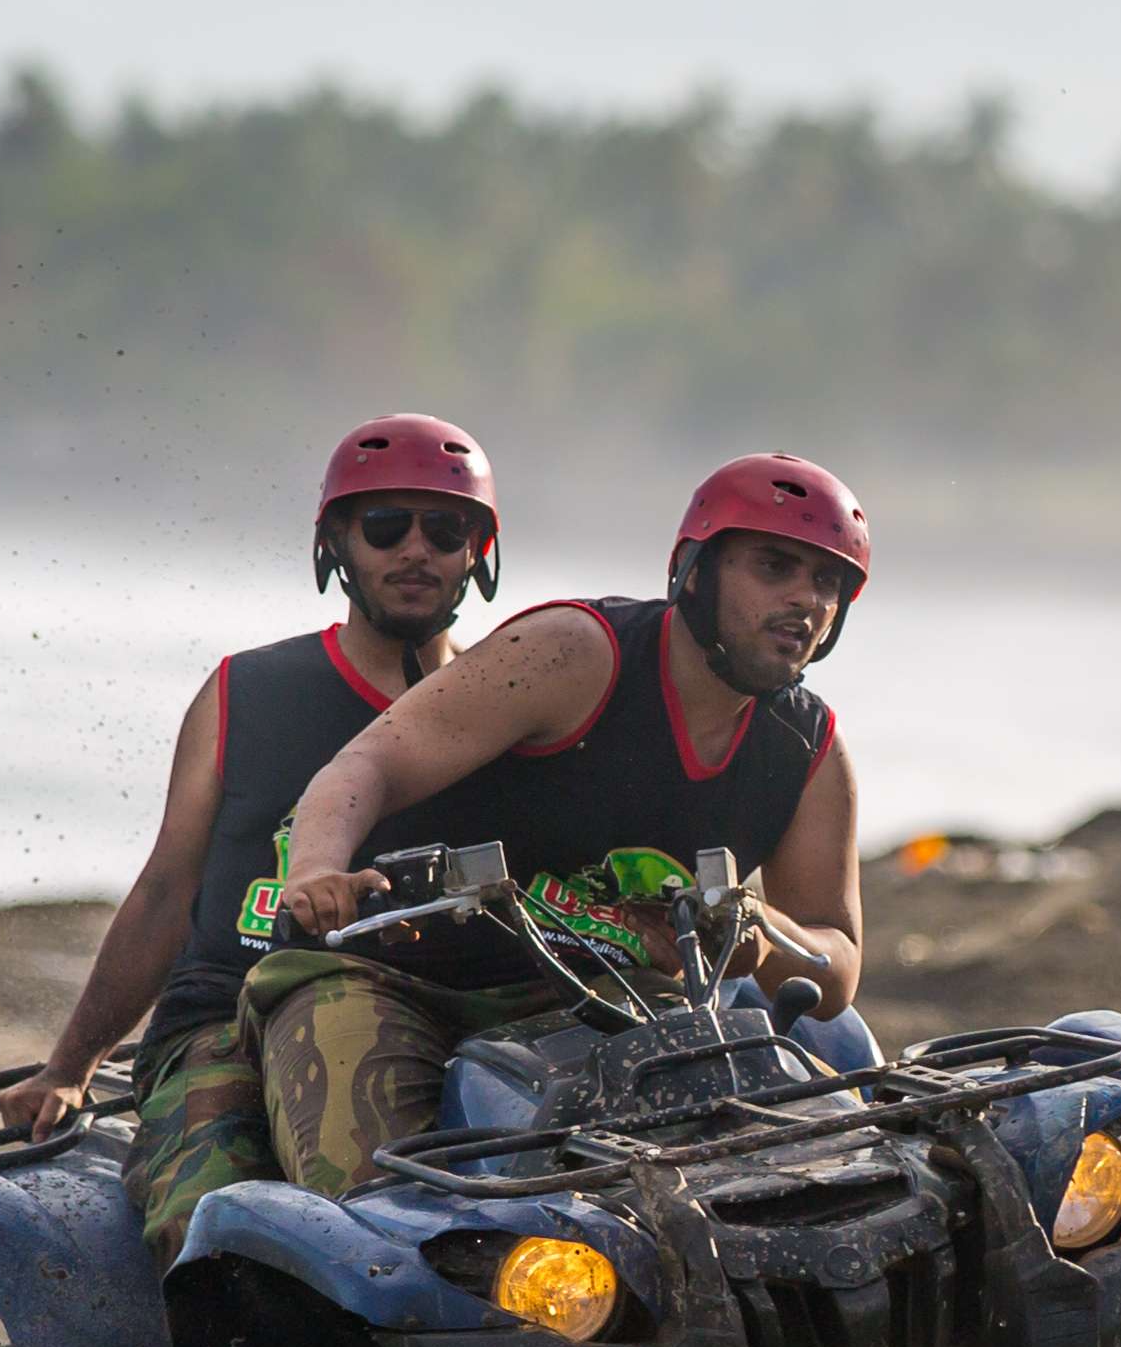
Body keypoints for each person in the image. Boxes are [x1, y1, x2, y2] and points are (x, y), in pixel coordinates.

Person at [224, 453, 872, 1203]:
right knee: (379, 1210)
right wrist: (314, 870)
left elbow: (837, 959)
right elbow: (365, 766)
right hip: (388, 976)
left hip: (595, 993)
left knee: (747, 1179)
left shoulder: (808, 749)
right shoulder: (575, 652)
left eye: (827, 582)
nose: (803, 600)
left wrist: (759, 934)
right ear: (694, 572)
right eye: (773, 566)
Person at [0, 413, 505, 1258]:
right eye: (385, 526)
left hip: (432, 1018)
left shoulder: (504, 712)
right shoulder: (246, 691)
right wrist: (68, 1067)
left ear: (478, 552)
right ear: (336, 543)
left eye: (445, 531)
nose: (416, 551)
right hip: (225, 1018)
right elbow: (167, 891)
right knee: (212, 1230)